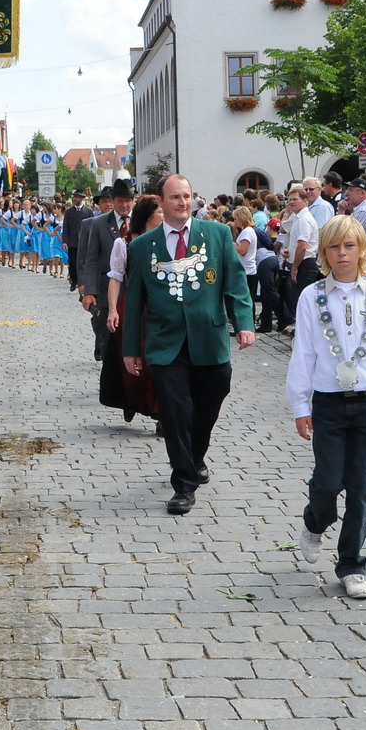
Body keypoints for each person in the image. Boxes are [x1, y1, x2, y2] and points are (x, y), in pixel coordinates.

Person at [287, 215, 366, 600]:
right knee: (327, 481)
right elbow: (303, 352)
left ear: (361, 251)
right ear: (324, 253)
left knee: (361, 486)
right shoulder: (311, 297)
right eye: (334, 247)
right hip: (329, 403)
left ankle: (351, 563)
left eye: (350, 246)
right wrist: (300, 404)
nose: (342, 253)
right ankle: (314, 521)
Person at [121, 174, 255, 515]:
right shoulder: (142, 246)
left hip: (209, 339)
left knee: (210, 402)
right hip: (166, 344)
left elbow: (235, 283)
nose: (183, 202)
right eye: (175, 197)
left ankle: (194, 458)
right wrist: (130, 349)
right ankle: (183, 484)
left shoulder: (218, 234)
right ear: (162, 204)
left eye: (187, 196)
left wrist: (243, 323)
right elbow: (134, 300)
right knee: (176, 412)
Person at [101, 195, 162, 426]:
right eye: (160, 213)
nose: (164, 217)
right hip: (135, 307)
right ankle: (131, 400)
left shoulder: (167, 240)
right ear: (148, 217)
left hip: (160, 307)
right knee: (134, 361)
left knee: (159, 362)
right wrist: (113, 310)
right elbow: (116, 278)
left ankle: (161, 413)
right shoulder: (124, 243)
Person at [76, 185, 124, 362]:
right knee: (101, 322)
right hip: (101, 282)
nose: (109, 204)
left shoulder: (132, 222)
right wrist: (84, 284)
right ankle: (101, 346)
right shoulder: (91, 224)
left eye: (111, 201)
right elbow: (85, 257)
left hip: (123, 285)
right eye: (105, 201)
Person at [62, 192, 94, 292]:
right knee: (72, 262)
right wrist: (65, 241)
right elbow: (65, 227)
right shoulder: (69, 212)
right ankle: (74, 280)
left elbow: (93, 226)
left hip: (85, 241)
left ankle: (83, 281)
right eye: (74, 197)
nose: (75, 199)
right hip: (73, 242)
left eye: (77, 197)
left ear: (82, 198)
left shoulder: (88, 211)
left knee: (84, 262)